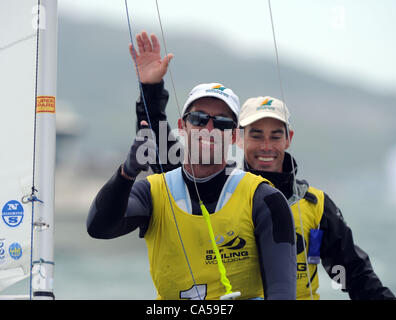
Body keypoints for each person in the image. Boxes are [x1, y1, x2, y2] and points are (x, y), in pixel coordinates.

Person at [133, 33, 396, 300]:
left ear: (289, 139)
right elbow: (162, 152)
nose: (266, 146)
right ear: (238, 137)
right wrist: (151, 89)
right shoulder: (218, 189)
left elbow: (351, 274)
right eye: (256, 135)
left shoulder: (315, 207)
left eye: (276, 135)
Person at [86, 32, 297, 300]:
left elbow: (282, 292)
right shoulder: (152, 193)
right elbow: (99, 228)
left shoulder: (264, 200)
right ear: (182, 126)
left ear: (233, 135)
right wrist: (126, 173)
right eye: (198, 118)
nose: (209, 128)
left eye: (221, 123)